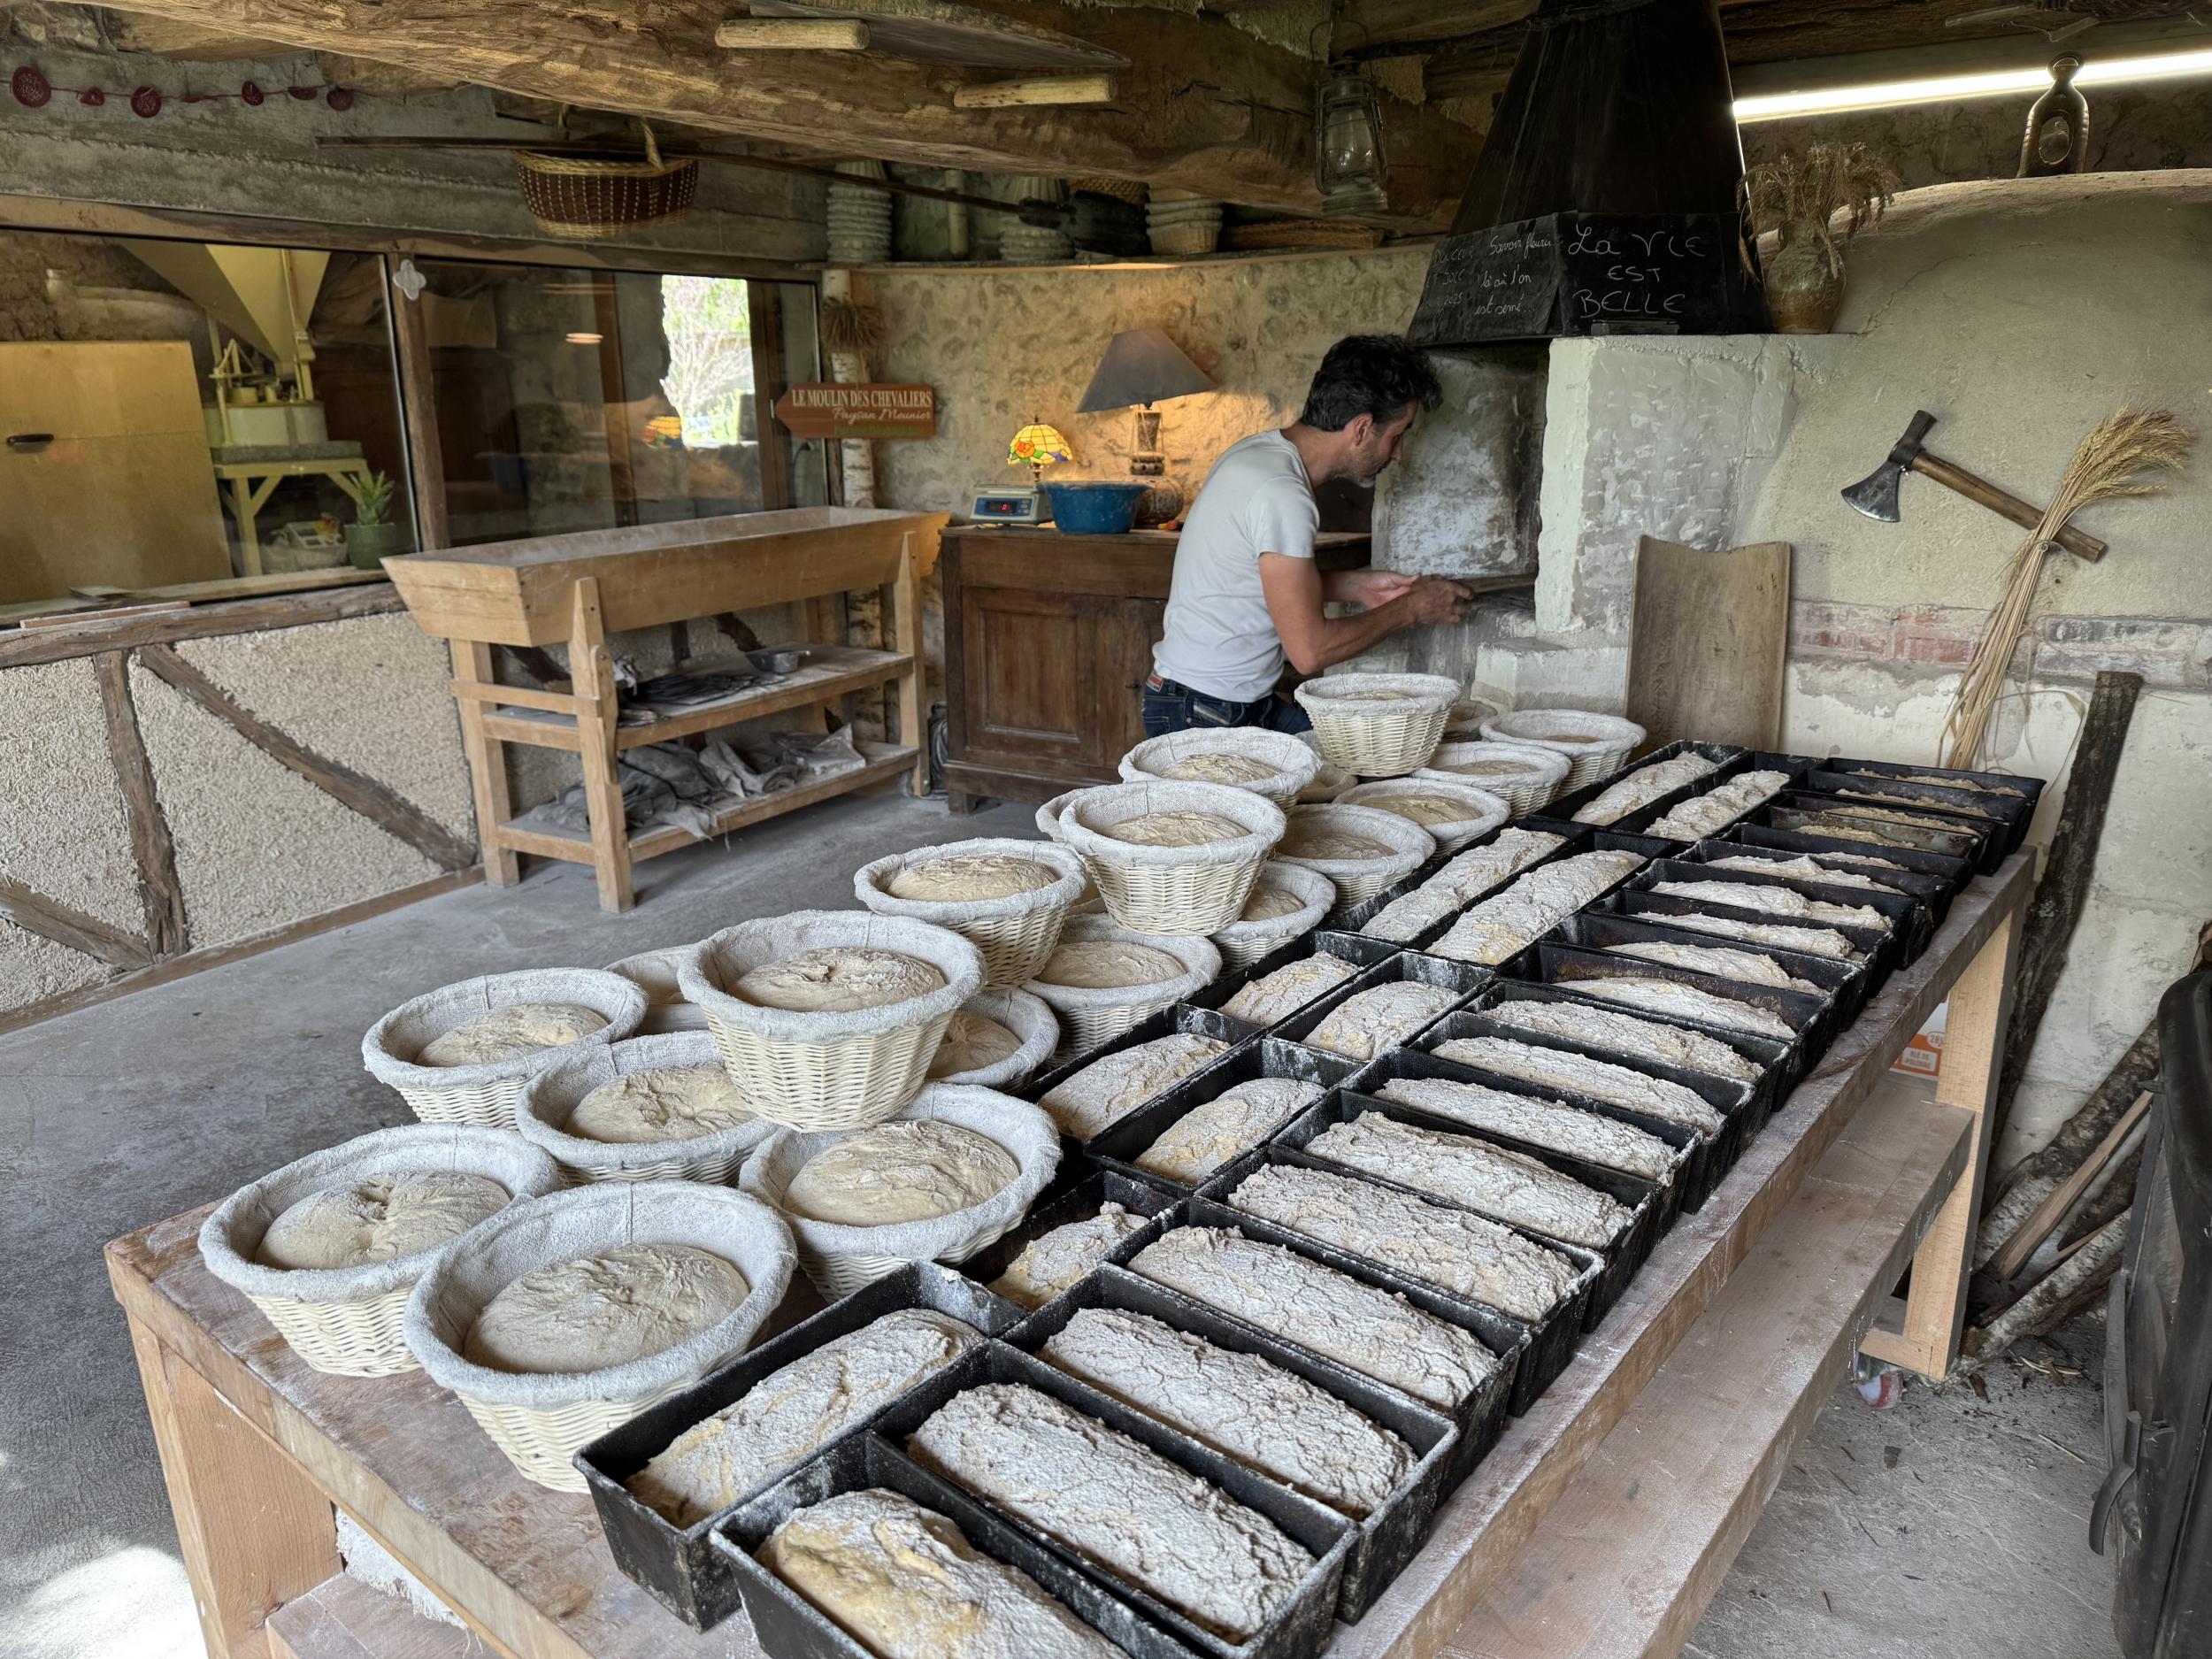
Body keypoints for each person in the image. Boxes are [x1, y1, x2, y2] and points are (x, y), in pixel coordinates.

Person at [1140, 334, 1472, 739]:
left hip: (1204, 699)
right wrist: (1411, 610)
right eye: (1397, 435)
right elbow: (1310, 651)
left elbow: (1248, 581)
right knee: (1353, 772)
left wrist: (1355, 587)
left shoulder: (1257, 453)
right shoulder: (1283, 492)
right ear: (1362, 428)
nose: (1398, 453)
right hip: (1206, 712)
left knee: (1351, 762)